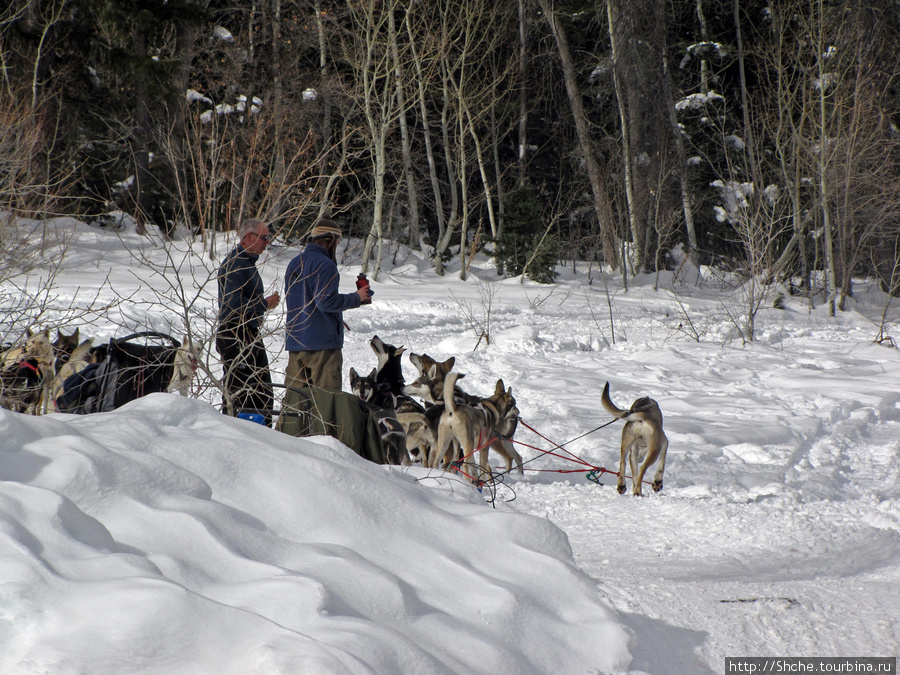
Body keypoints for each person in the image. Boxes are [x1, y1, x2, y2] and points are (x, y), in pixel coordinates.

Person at [283, 219, 372, 392]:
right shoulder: (325, 264)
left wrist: (335, 318)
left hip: (296, 342)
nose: (337, 246)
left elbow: (301, 301)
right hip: (322, 347)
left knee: (295, 404)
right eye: (337, 242)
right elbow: (325, 302)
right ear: (330, 240)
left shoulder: (294, 263)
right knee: (326, 403)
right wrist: (357, 298)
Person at [216, 217, 280, 425]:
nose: (266, 242)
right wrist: (263, 304)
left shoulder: (246, 263)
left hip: (247, 334)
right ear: (248, 238)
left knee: (261, 396)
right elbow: (232, 305)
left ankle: (258, 439)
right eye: (264, 237)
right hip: (236, 335)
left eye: (268, 238)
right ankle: (240, 440)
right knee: (244, 398)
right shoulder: (235, 264)